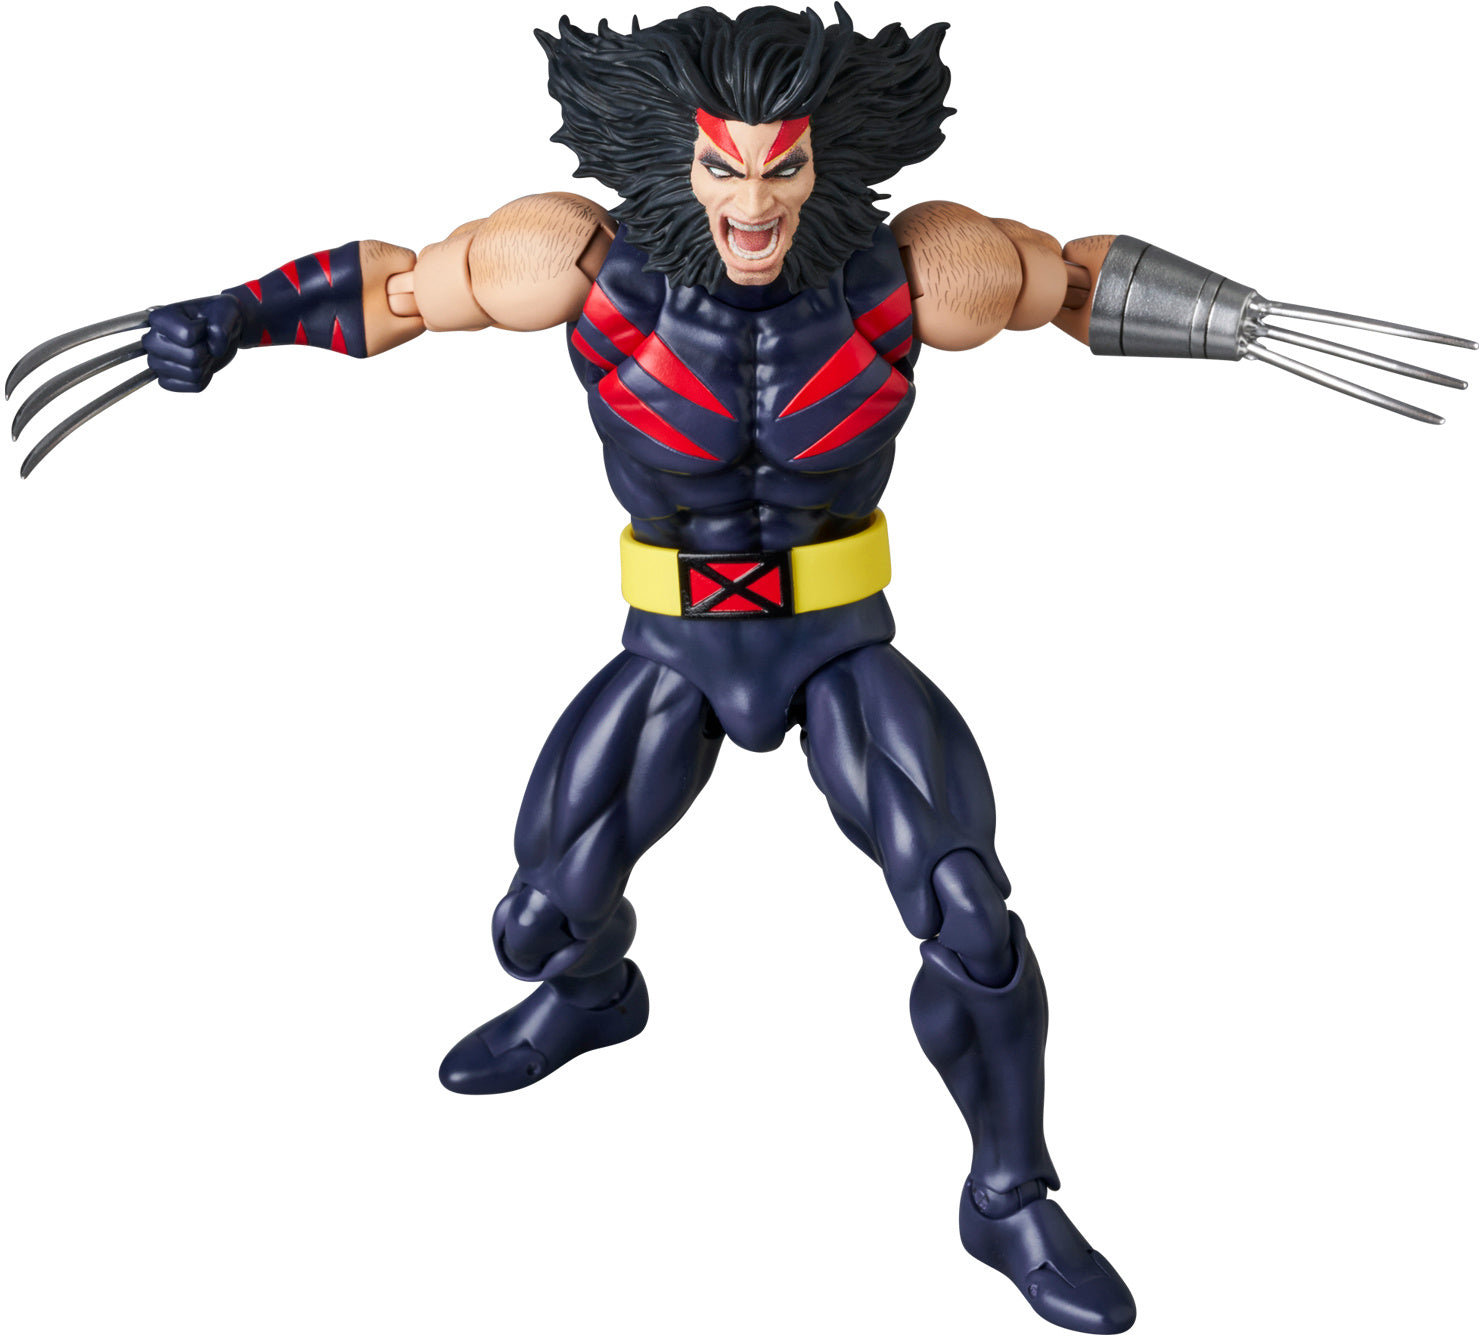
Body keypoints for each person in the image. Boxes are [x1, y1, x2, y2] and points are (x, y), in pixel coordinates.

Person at [9, 7, 1471, 1333]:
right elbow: (398, 291)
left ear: (827, 161)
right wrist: (231, 318)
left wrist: (1247, 323)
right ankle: (592, 992)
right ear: (683, 160)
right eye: (728, 169)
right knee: (533, 919)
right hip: (674, 644)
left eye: (784, 169)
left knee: (969, 914)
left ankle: (1009, 1196)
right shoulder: (575, 266)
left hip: (838, 643)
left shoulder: (912, 274)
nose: (757, 205)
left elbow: (1071, 284)